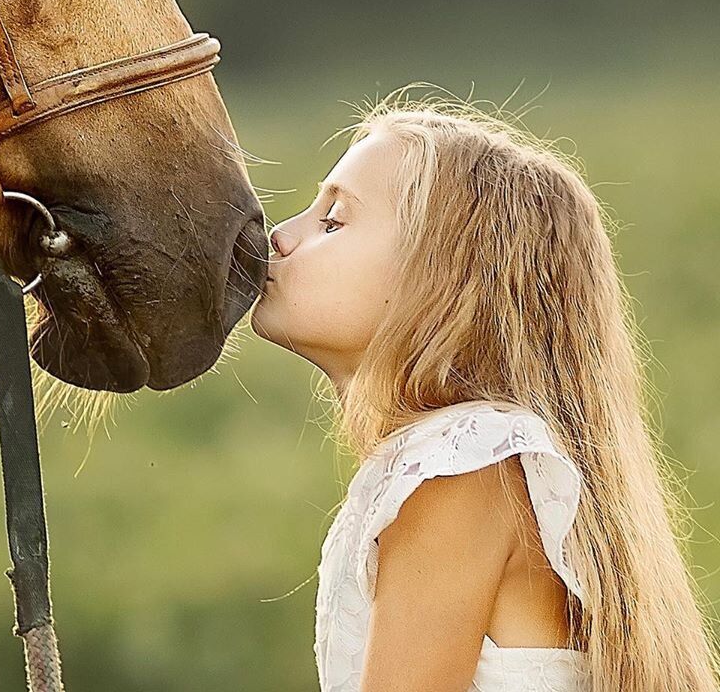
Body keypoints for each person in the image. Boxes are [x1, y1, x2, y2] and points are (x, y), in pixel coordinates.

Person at [251, 92, 720, 692]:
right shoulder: (474, 461)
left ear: (445, 281)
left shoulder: (464, 465)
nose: (281, 236)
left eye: (334, 221)